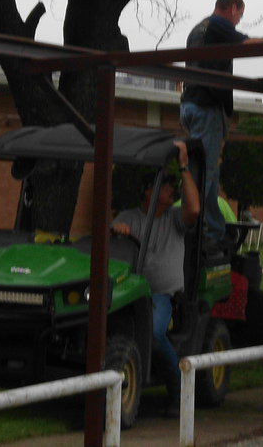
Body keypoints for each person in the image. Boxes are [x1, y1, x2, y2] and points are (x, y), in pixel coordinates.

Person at [179, 0, 263, 246]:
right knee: (207, 174)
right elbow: (244, 45)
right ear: (232, 8)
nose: (238, 21)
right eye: (240, 15)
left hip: (189, 104)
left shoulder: (197, 29)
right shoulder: (219, 25)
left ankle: (207, 228)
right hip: (207, 107)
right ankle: (204, 233)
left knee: (199, 171)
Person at [112, 139, 200, 415]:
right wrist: (117, 230)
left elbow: (194, 209)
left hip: (161, 295)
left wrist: (183, 167)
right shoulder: (129, 217)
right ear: (148, 191)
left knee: (153, 332)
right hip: (129, 293)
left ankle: (180, 390)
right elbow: (110, 233)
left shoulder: (175, 218)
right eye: (165, 185)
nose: (171, 190)